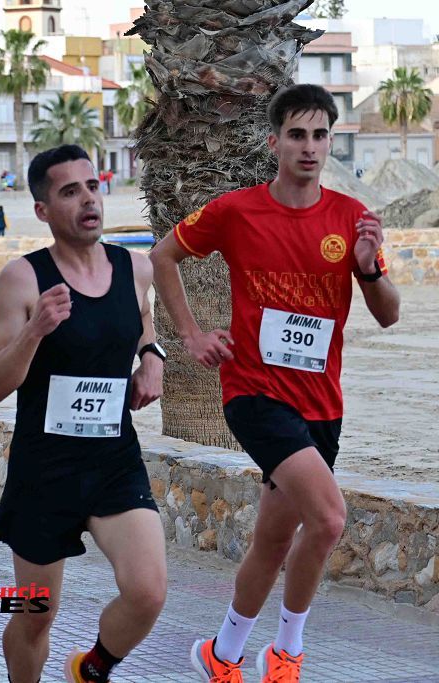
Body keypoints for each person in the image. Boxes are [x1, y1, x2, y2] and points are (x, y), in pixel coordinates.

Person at [148, 84, 401, 683]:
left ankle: (224, 654)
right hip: (254, 394)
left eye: (320, 135)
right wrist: (190, 335)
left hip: (322, 403)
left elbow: (389, 314)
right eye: (297, 134)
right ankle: (287, 651)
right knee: (331, 519)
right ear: (274, 141)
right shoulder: (236, 210)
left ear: (330, 142)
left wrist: (368, 267)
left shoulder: (350, 220)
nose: (309, 147)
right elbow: (163, 256)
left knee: (271, 540)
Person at [0, 144, 166, 683]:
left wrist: (152, 358)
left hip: (114, 460)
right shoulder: (22, 279)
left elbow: (145, 327)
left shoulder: (135, 269)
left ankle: (91, 668)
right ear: (43, 210)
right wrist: (36, 330)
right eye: (70, 191)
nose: (88, 200)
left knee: (148, 591)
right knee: (37, 618)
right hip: (45, 469)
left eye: (93, 186)